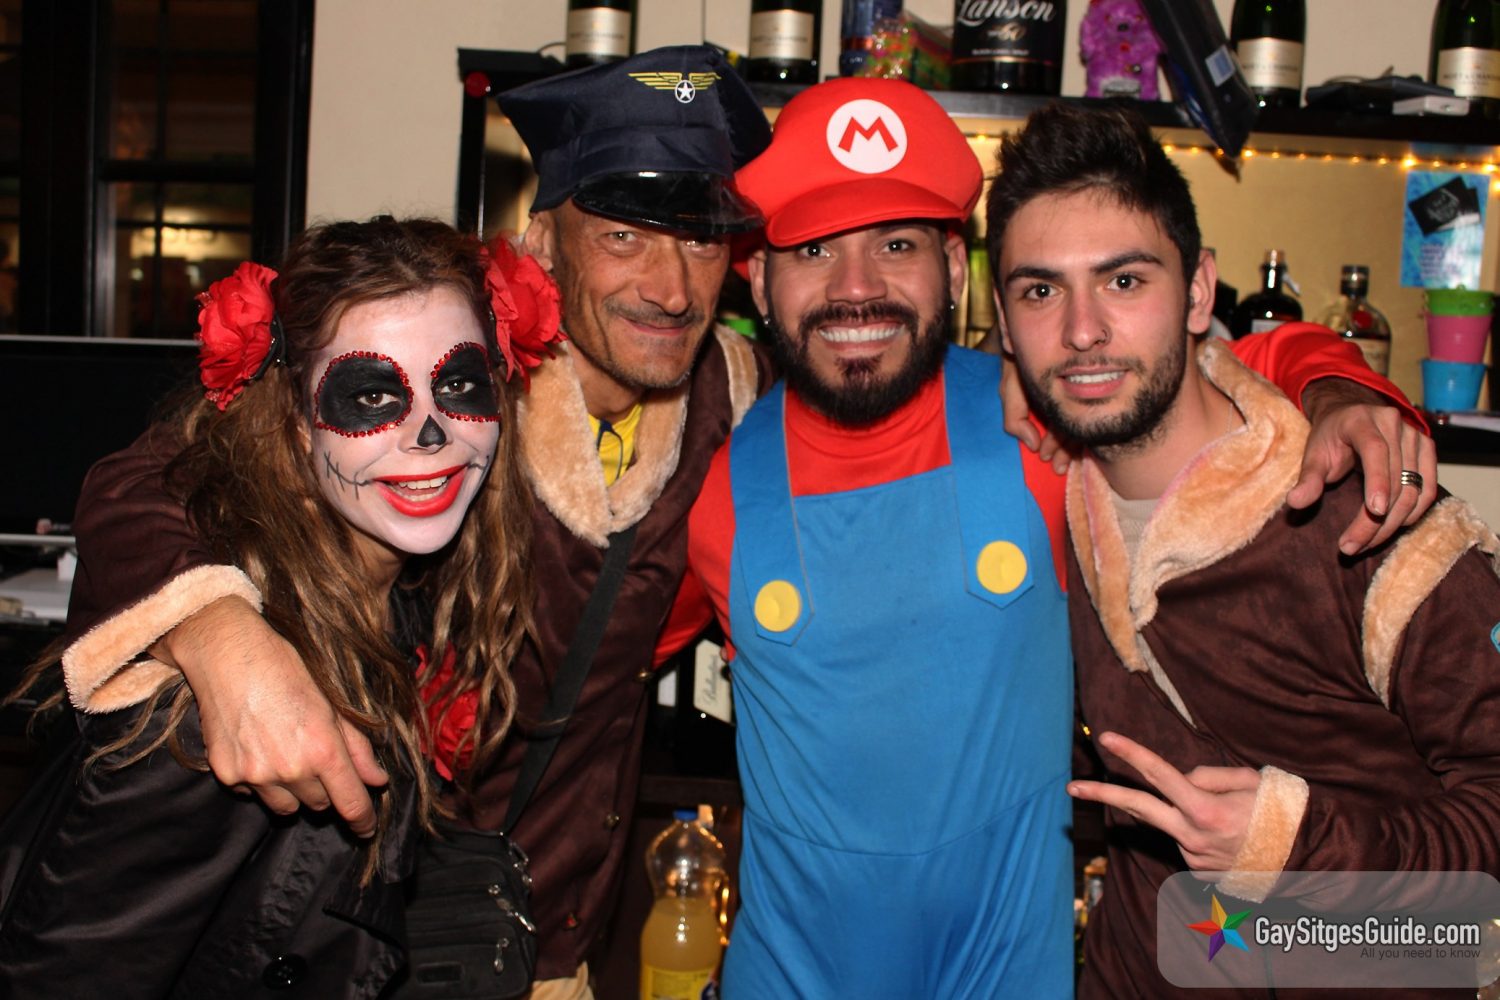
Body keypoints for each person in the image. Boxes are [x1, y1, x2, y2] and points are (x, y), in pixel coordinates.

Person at [40, 46, 773, 999]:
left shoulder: (733, 395)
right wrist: (219, 634)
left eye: (702, 242)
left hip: (556, 937)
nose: (671, 288)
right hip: (377, 938)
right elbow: (145, 482)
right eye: (625, 237)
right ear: (544, 243)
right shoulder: (454, 381)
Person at [680, 78, 1437, 998]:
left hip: (1012, 971)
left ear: (956, 272)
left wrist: (1341, 386)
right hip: (787, 977)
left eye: (897, 244)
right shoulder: (710, 495)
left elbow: (1206, 374)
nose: (858, 287)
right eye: (812, 250)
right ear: (758, 281)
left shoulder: (1048, 430)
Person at [991, 103, 1500, 999]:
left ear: (1198, 292)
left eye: (1123, 281)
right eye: (1041, 292)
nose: (1080, 331)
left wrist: (1293, 850)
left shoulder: (1367, 512)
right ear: (1002, 319)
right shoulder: (1050, 498)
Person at [0, 216, 542, 996]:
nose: (431, 435)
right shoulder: (215, 713)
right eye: (370, 395)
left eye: (459, 385)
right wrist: (212, 631)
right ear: (294, 427)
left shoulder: (403, 591)